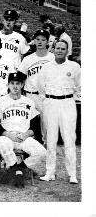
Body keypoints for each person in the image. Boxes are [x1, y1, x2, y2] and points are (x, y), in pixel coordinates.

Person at [37, 39, 80, 184]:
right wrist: (50, 100)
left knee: (69, 139)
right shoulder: (46, 67)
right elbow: (41, 87)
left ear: (67, 51)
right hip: (51, 103)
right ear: (53, 49)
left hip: (67, 103)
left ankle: (72, 174)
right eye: (58, 48)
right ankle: (50, 172)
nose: (60, 51)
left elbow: (80, 86)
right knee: (51, 139)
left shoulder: (74, 66)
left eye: (63, 48)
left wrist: (69, 98)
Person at [0, 72, 47, 188]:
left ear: (22, 85)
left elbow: (35, 126)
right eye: (12, 83)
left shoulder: (29, 102)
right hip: (6, 136)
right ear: (8, 85)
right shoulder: (0, 101)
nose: (15, 86)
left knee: (42, 153)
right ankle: (15, 170)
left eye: (18, 83)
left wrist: (26, 134)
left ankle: (20, 168)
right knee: (3, 144)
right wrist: (7, 134)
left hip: (23, 137)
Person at [17, 29, 55, 142]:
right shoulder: (28, 59)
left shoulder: (52, 58)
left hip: (47, 96)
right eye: (37, 39)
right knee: (31, 125)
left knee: (48, 125)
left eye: (43, 40)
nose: (40, 42)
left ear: (48, 42)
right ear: (34, 41)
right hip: (31, 95)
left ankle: (47, 150)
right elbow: (20, 77)